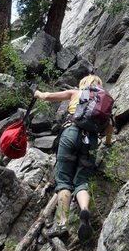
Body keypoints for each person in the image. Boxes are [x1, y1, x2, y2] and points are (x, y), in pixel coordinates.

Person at [34, 74, 113, 241]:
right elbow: (110, 127)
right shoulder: (104, 101)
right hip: (90, 140)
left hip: (71, 133)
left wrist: (38, 94)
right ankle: (84, 208)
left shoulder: (76, 93)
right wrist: (107, 143)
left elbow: (48, 96)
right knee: (81, 180)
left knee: (63, 180)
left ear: (83, 83)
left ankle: (61, 224)